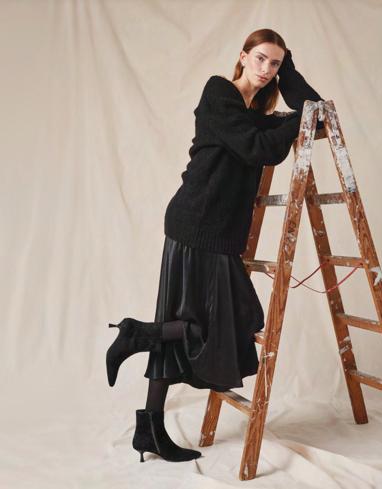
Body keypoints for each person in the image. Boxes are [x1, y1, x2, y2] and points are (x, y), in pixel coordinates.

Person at [106, 28, 324, 464]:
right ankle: (138, 337)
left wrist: (290, 73)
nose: (266, 69)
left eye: (275, 64)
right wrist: (290, 124)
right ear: (242, 57)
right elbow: (257, 148)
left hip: (219, 232)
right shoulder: (219, 94)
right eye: (260, 59)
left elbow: (315, 116)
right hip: (196, 222)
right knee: (224, 322)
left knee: (189, 324)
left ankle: (148, 423)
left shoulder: (256, 114)